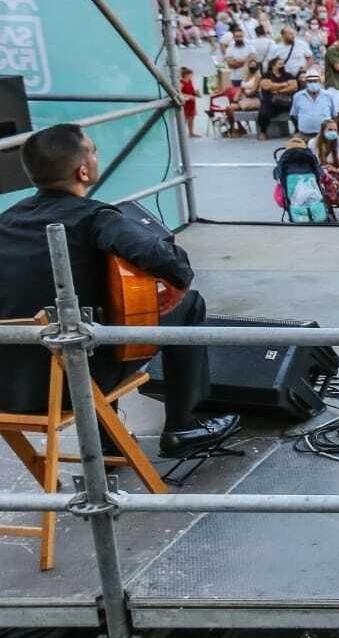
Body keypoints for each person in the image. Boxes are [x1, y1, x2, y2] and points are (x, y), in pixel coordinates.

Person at [0, 124, 239, 457]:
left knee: (77, 329)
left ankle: (108, 442)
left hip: (10, 387)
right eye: (93, 150)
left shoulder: (6, 221)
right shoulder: (94, 218)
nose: (96, 156)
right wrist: (177, 282)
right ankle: (182, 427)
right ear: (83, 170)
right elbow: (168, 262)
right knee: (189, 306)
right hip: (73, 385)